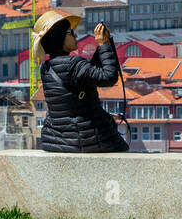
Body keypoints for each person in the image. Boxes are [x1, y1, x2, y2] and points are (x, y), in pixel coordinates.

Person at [33, 10, 129, 153]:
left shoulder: (46, 67)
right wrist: (104, 45)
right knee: (122, 147)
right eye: (71, 32)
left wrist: (103, 45)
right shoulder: (74, 64)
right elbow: (109, 77)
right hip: (87, 139)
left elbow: (85, 75)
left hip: (54, 140)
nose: (76, 35)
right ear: (59, 37)